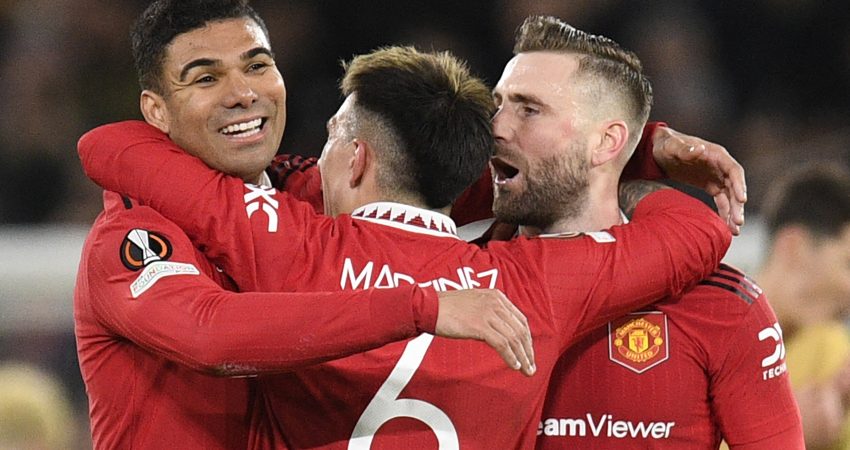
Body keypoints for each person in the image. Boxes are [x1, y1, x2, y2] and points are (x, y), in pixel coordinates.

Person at [78, 33, 731, 450]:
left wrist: (420, 305)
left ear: (356, 159)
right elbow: (698, 230)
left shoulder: (283, 240)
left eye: (331, 138)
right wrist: (633, 161)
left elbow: (109, 146)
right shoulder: (536, 286)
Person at [74, 2, 537, 449]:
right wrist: (421, 307)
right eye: (206, 78)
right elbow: (208, 334)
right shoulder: (131, 235)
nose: (242, 93)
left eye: (257, 66)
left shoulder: (308, 191)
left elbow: (454, 173)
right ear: (156, 110)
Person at [480, 16, 803, 448]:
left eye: (529, 110)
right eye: (498, 105)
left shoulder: (720, 305)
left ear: (607, 142)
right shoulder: (454, 285)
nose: (496, 127)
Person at [756, 164, 850, 449]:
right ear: (793, 246)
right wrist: (783, 433)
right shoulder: (695, 336)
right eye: (848, 264)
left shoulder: (830, 350)